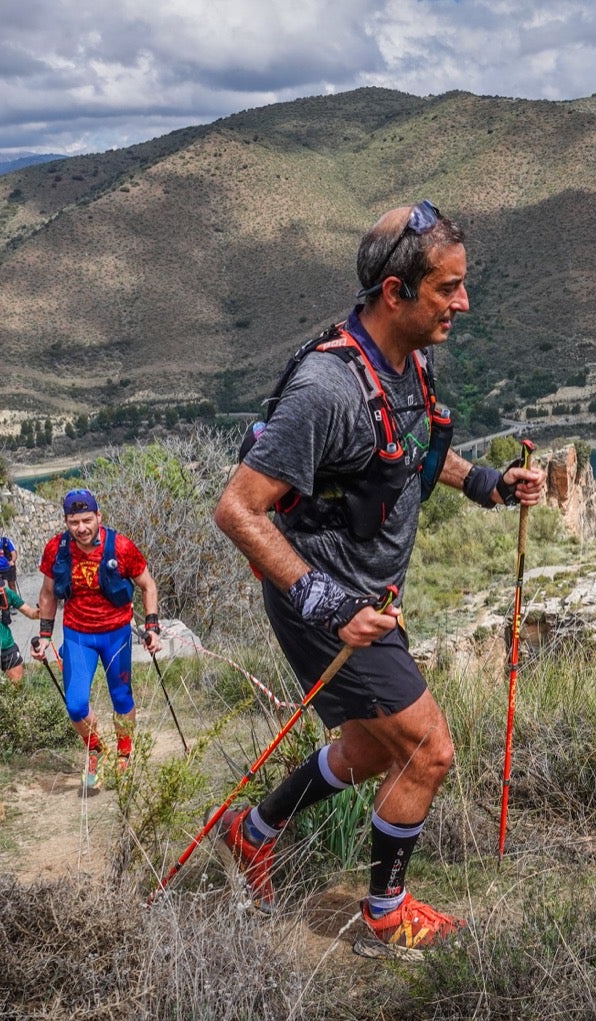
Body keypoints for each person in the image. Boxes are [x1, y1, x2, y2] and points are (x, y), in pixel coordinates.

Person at [213, 199, 546, 959]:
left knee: (367, 751)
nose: (463, 303)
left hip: (363, 598)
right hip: (325, 601)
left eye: (462, 285)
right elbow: (237, 510)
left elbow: (405, 457)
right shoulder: (325, 390)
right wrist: (327, 603)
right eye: (447, 289)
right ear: (394, 292)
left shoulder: (406, 360)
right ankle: (385, 917)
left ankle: (251, 832)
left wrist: (487, 483)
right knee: (428, 750)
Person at [32, 488, 163, 789]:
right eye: (74, 521)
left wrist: (152, 627)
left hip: (116, 633)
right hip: (78, 635)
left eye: (87, 520)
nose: (81, 528)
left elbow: (148, 585)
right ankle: (95, 748)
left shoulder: (121, 546)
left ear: (99, 517)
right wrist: (43, 635)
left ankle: (125, 752)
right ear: (66, 521)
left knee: (121, 698)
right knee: (76, 706)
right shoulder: (56, 549)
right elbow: (48, 593)